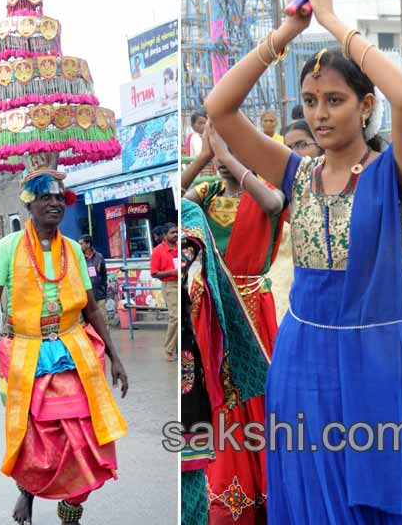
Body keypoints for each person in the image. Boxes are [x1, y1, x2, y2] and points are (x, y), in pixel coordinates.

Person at [204, 0, 402, 522]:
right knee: (316, 496)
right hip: (303, 360)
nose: (319, 114)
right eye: (311, 101)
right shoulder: (296, 171)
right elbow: (219, 107)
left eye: (334, 100)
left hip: (378, 360)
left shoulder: (395, 174)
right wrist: (288, 31)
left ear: (364, 106)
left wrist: (335, 22)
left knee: (390, 496)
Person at [0, 164, 128, 525]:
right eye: (45, 197)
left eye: (60, 197)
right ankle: (26, 491)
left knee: (82, 436)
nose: (55, 203)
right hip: (25, 351)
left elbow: (90, 308)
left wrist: (116, 356)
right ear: (29, 204)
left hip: (74, 350)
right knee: (32, 434)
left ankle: (71, 510)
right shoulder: (7, 248)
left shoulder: (73, 250)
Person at [182, 122, 286, 522]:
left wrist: (228, 157)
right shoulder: (206, 193)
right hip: (220, 309)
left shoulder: (266, 188)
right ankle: (231, 483)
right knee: (223, 391)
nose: (226, 161)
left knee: (259, 390)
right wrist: (207, 156)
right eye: (220, 147)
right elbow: (179, 200)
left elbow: (274, 207)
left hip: (256, 311)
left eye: (236, 148)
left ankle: (266, 485)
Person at [180, 199, 271, 525]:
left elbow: (274, 203)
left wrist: (233, 160)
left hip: (250, 317)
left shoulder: (192, 215)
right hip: (203, 331)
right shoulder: (201, 198)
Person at [150, 223, 180, 362]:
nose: (175, 234)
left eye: (176, 232)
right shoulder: (157, 251)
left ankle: (179, 348)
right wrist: (172, 272)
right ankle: (169, 349)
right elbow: (154, 273)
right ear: (165, 235)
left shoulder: (181, 246)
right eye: (172, 232)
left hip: (183, 281)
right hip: (170, 285)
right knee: (176, 317)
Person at [78, 235, 108, 326]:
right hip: (83, 296)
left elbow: (104, 276)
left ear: (88, 244)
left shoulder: (99, 257)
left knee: (103, 321)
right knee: (82, 323)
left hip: (99, 295)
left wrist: (103, 290)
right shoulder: (78, 258)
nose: (79, 246)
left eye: (81, 244)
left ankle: (104, 340)